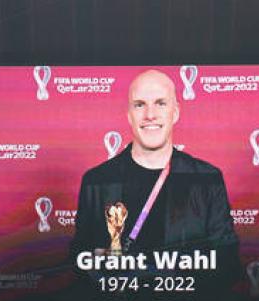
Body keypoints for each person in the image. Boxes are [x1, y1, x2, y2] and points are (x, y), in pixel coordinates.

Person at [70, 70, 240, 284]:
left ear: (175, 113)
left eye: (160, 103)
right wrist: (96, 264)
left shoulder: (207, 179)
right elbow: (79, 264)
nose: (150, 114)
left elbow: (226, 263)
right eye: (139, 105)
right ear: (129, 115)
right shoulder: (96, 181)